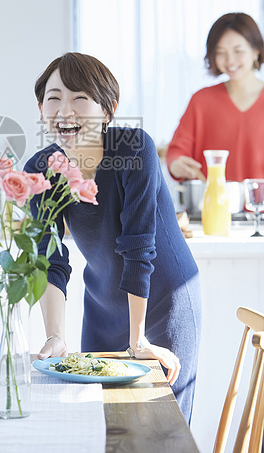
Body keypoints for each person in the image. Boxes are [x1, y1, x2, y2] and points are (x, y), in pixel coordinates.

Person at [24, 52, 201, 423]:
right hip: (103, 304)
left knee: (162, 427)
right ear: (41, 109)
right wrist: (55, 335)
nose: (65, 110)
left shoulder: (134, 148)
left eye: (80, 98)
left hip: (163, 300)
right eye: (54, 98)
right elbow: (49, 259)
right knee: (99, 423)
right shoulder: (41, 169)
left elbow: (139, 247)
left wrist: (138, 340)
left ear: (107, 110)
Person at [167, 12, 264, 182]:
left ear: (256, 51)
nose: (230, 60)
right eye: (220, 52)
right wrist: (177, 165)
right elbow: (176, 152)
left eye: (238, 51)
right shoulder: (201, 100)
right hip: (210, 206)